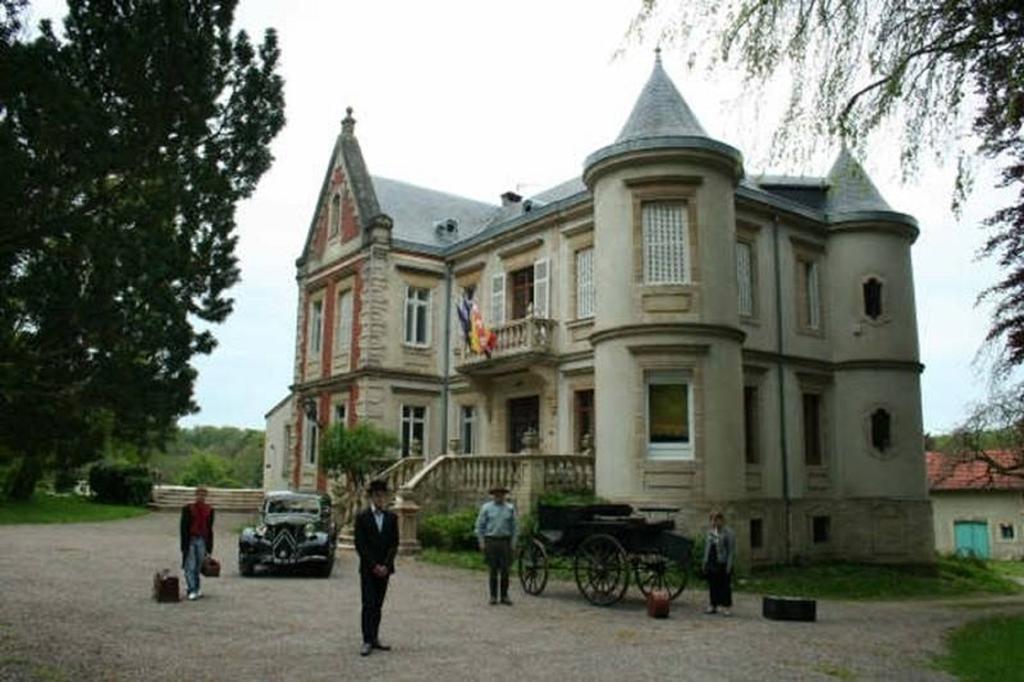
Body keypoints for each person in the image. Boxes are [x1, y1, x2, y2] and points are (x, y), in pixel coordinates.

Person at [354, 479, 399, 656]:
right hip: (368, 568)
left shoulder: (392, 518)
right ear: (372, 497)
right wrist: (373, 565)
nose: (380, 499)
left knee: (378, 604)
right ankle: (366, 639)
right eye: (377, 496)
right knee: (368, 603)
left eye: (383, 496)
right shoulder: (362, 517)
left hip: (385, 568)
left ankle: (375, 637)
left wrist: (386, 565)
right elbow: (360, 545)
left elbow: (394, 544)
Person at [475, 484, 518, 606]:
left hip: (505, 541)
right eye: (497, 494)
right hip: (491, 540)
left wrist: (513, 543)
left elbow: (515, 527)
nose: (499, 496)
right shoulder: (486, 508)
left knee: (505, 570)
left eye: (502, 494)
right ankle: (493, 596)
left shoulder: (510, 508)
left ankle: (504, 595)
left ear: (505, 495)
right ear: (493, 495)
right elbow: (479, 526)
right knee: (493, 570)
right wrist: (481, 542)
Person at [179, 486, 215, 602]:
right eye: (199, 494)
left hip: (202, 540)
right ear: (196, 495)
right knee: (190, 565)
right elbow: (183, 528)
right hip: (191, 539)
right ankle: (192, 589)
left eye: (203, 495)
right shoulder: (188, 509)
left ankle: (197, 588)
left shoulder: (209, 510)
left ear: (206, 496)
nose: (201, 497)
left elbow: (210, 529)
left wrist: (209, 548)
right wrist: (183, 545)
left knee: (198, 565)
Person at [702, 510, 734, 615]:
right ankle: (713, 605)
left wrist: (729, 565)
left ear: (722, 520)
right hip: (712, 561)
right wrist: (705, 561)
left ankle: (726, 606)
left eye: (716, 520)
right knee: (713, 584)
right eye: (712, 520)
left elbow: (730, 551)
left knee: (725, 585)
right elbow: (708, 547)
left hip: (722, 561)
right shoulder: (712, 532)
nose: (714, 522)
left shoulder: (728, 532)